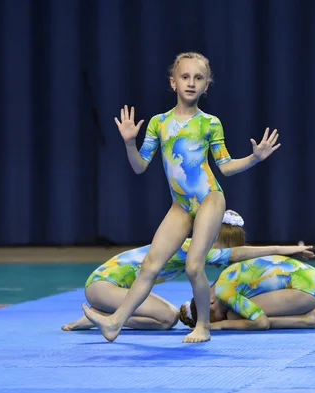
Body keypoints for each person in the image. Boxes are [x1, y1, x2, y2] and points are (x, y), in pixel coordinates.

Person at [82, 52, 281, 343]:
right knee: (151, 264)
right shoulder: (158, 123)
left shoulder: (210, 123)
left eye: (198, 78)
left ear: (206, 86)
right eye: (185, 77)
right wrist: (128, 143)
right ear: (173, 82)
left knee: (193, 266)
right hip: (181, 205)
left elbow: (225, 167)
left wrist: (254, 157)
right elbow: (139, 167)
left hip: (210, 198)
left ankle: (203, 326)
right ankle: (115, 322)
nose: (191, 83)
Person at [62, 210, 314, 332]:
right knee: (167, 317)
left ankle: (103, 314)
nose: (223, 259)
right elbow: (240, 254)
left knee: (167, 319)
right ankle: (105, 315)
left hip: (113, 288)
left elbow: (237, 254)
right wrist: (285, 249)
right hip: (103, 284)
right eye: (224, 250)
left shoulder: (194, 248)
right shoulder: (191, 247)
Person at [179, 255, 315, 331]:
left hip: (311, 289)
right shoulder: (224, 279)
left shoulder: (223, 292)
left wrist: (221, 325)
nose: (221, 318)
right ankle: (312, 311)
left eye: (217, 316)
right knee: (240, 311)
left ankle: (310, 320)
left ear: (210, 304)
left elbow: (261, 323)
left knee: (236, 317)